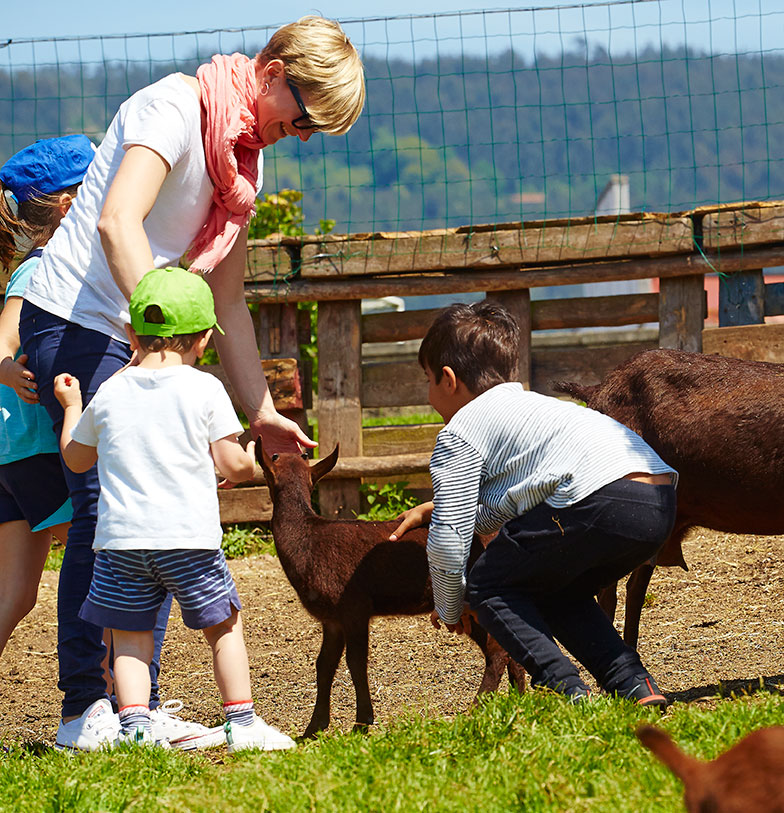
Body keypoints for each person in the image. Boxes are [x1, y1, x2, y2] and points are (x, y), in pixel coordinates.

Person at [18, 16, 364, 749]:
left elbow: (229, 300)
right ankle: (86, 707)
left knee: (164, 504)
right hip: (79, 318)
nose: (300, 135)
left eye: (314, 131)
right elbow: (117, 222)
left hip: (144, 327)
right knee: (109, 510)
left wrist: (262, 411)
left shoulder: (243, 162)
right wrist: (163, 338)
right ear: (272, 72)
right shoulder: (173, 108)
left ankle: (135, 708)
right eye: (302, 116)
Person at [54, 266, 296, 751]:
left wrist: (72, 405)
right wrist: (246, 459)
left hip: (122, 543)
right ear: (204, 337)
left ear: (130, 334)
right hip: (188, 538)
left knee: (129, 637)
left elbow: (76, 458)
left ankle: (136, 729)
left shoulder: (110, 391)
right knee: (223, 627)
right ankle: (243, 724)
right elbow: (232, 464)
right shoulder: (205, 388)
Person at [390, 302, 677, 705]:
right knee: (554, 589)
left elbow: (448, 541)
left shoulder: (461, 430)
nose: (428, 393)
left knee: (489, 584)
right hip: (656, 500)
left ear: (448, 379)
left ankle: (564, 690)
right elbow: (502, 504)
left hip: (596, 497)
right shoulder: (536, 408)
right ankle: (633, 684)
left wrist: (452, 605)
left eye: (427, 380)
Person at [0, 136, 88, 659]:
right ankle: (106, 693)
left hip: (11, 452)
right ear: (69, 205)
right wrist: (10, 372)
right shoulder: (41, 269)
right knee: (95, 555)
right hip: (33, 447)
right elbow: (3, 339)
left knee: (15, 597)